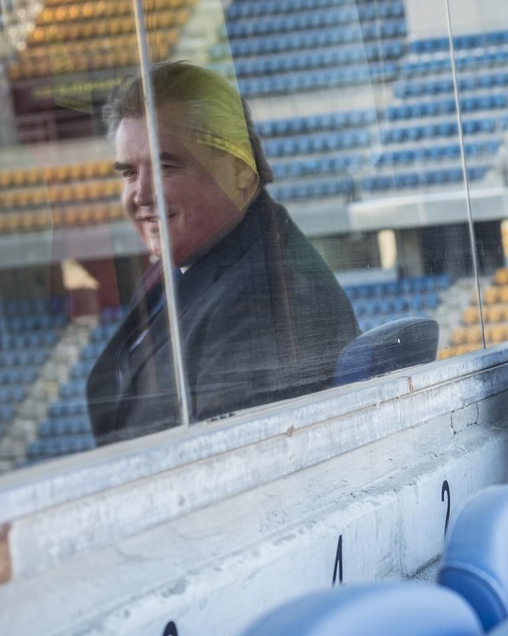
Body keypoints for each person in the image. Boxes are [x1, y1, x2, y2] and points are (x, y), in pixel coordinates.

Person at [86, 61, 359, 445]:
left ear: (241, 172)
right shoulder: (184, 265)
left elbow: (218, 468)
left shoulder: (259, 299)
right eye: (129, 174)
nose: (141, 196)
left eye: (166, 167)